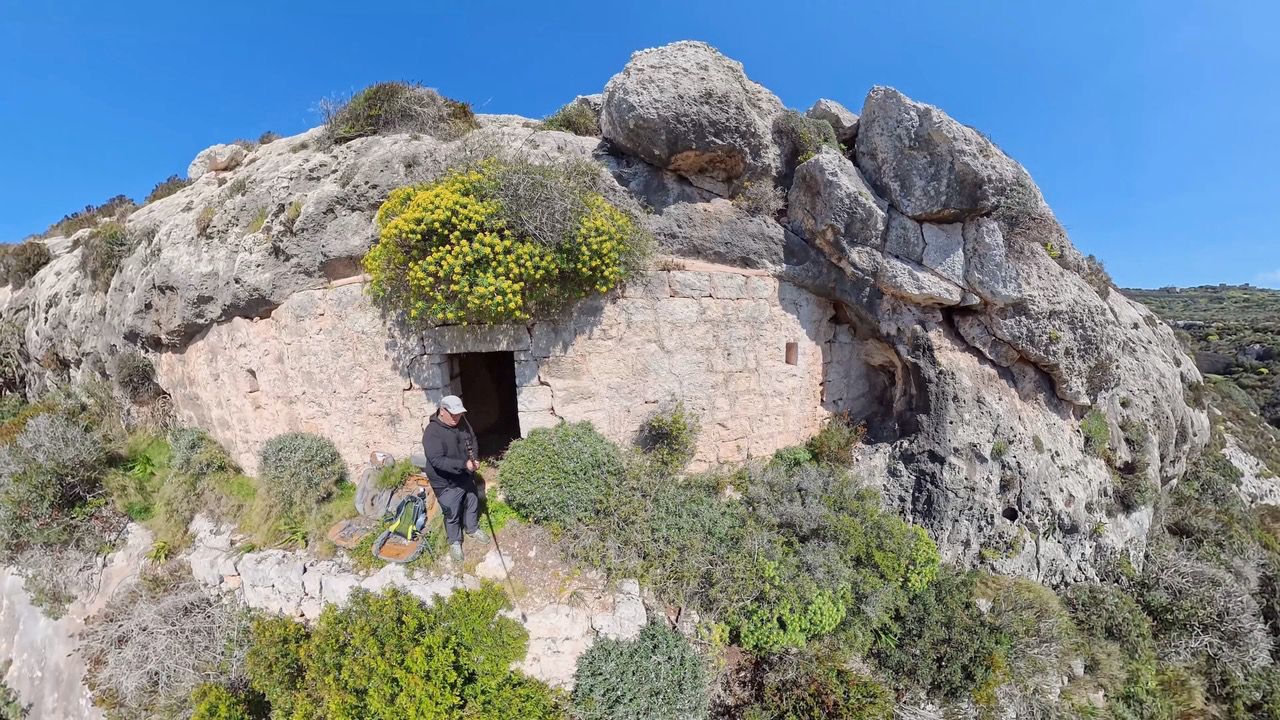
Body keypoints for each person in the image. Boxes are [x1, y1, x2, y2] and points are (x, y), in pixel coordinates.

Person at [422, 395, 490, 562]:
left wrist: (473, 459)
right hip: (445, 482)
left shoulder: (462, 421)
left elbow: (472, 440)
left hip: (465, 475)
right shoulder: (432, 432)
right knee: (451, 513)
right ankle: (454, 542)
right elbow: (437, 460)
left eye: (459, 414)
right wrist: (463, 464)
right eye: (453, 414)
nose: (457, 418)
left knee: (472, 501)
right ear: (443, 411)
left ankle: (472, 529)